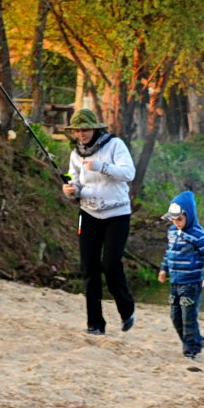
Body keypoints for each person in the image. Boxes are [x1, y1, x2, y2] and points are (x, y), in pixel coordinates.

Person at [59, 108, 136, 335]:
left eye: (85, 129)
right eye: (78, 130)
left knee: (110, 265)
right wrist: (70, 189)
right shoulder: (76, 154)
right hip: (88, 214)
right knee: (89, 267)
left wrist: (102, 166)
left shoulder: (115, 145)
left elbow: (128, 173)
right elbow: (74, 178)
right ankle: (95, 324)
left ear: (95, 128)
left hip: (117, 214)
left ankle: (126, 308)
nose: (82, 134)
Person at [157, 190, 204, 359]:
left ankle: (191, 349)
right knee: (175, 316)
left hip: (191, 283)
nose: (176, 222)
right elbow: (169, 253)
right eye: (173, 219)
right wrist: (164, 269)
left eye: (180, 219)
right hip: (175, 281)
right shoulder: (172, 232)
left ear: (188, 216)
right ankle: (196, 340)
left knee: (188, 317)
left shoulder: (198, 235)